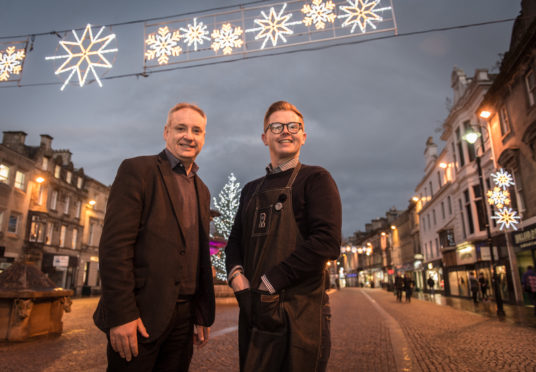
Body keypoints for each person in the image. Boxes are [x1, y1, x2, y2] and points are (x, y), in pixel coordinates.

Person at [93, 102, 215, 371]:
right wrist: (122, 315)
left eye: (197, 130)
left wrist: (201, 313)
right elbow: (115, 247)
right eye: (180, 128)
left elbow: (199, 259)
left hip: (184, 320)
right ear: (166, 132)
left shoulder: (202, 190)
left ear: (204, 137)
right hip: (139, 316)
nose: (189, 136)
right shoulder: (137, 171)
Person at [225, 101, 342, 372]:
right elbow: (235, 242)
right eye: (276, 126)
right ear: (265, 137)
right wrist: (237, 278)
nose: (285, 132)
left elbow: (327, 242)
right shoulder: (250, 190)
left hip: (302, 311)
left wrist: (270, 282)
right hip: (256, 309)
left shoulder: (317, 179)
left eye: (293, 126)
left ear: (303, 135)